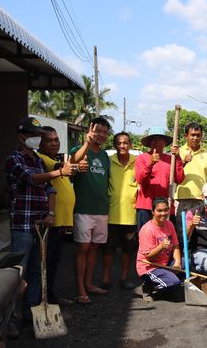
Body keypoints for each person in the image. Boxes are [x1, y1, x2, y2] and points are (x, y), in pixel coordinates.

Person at [5, 117, 72, 330]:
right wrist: (60, 171)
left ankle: (30, 312)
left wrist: (51, 213)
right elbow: (32, 179)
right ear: (22, 137)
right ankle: (10, 319)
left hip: (40, 225)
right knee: (18, 274)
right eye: (33, 135)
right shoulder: (14, 159)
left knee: (37, 271)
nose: (36, 138)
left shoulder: (38, 160)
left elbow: (50, 190)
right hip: (22, 225)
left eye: (38, 135)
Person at [70, 117, 112, 304]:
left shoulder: (104, 156)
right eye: (98, 131)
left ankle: (88, 284)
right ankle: (80, 289)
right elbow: (74, 160)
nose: (101, 135)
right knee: (83, 248)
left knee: (95, 247)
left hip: (102, 209)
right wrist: (87, 143)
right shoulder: (79, 150)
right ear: (90, 130)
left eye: (105, 132)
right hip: (83, 208)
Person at [37, 126, 77, 306]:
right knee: (44, 264)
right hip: (50, 222)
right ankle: (41, 299)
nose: (54, 143)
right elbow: (60, 167)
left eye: (56, 140)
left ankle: (50, 297)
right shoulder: (42, 159)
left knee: (53, 263)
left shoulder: (54, 159)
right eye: (49, 140)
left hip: (60, 222)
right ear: (40, 143)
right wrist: (64, 167)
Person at [103, 132, 138, 291]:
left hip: (131, 214)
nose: (122, 146)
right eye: (119, 143)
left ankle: (124, 277)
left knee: (127, 249)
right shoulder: (108, 162)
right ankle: (106, 277)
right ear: (115, 145)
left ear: (130, 144)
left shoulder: (137, 162)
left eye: (125, 143)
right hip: (111, 213)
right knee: (108, 248)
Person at [175, 122, 207, 241]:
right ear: (186, 136)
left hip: (201, 201)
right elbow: (173, 176)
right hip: (182, 199)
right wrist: (183, 162)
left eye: (198, 135)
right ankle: (183, 258)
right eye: (192, 135)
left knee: (199, 233)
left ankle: (197, 257)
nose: (195, 138)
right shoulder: (177, 152)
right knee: (182, 232)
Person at [135, 126, 184, 230]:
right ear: (149, 142)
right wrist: (151, 163)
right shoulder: (142, 158)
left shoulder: (171, 159)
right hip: (146, 206)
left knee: (166, 239)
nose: (156, 142)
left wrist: (178, 157)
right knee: (146, 238)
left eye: (159, 139)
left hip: (165, 207)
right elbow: (140, 179)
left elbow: (179, 179)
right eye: (153, 139)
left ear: (165, 142)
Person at [136, 197, 182, 302]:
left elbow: (175, 245)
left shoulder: (169, 224)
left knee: (186, 264)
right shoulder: (147, 230)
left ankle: (167, 285)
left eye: (166, 210)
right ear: (153, 212)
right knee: (174, 283)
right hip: (149, 267)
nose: (163, 213)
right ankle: (150, 287)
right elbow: (149, 256)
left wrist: (178, 263)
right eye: (159, 211)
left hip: (164, 263)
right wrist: (161, 246)